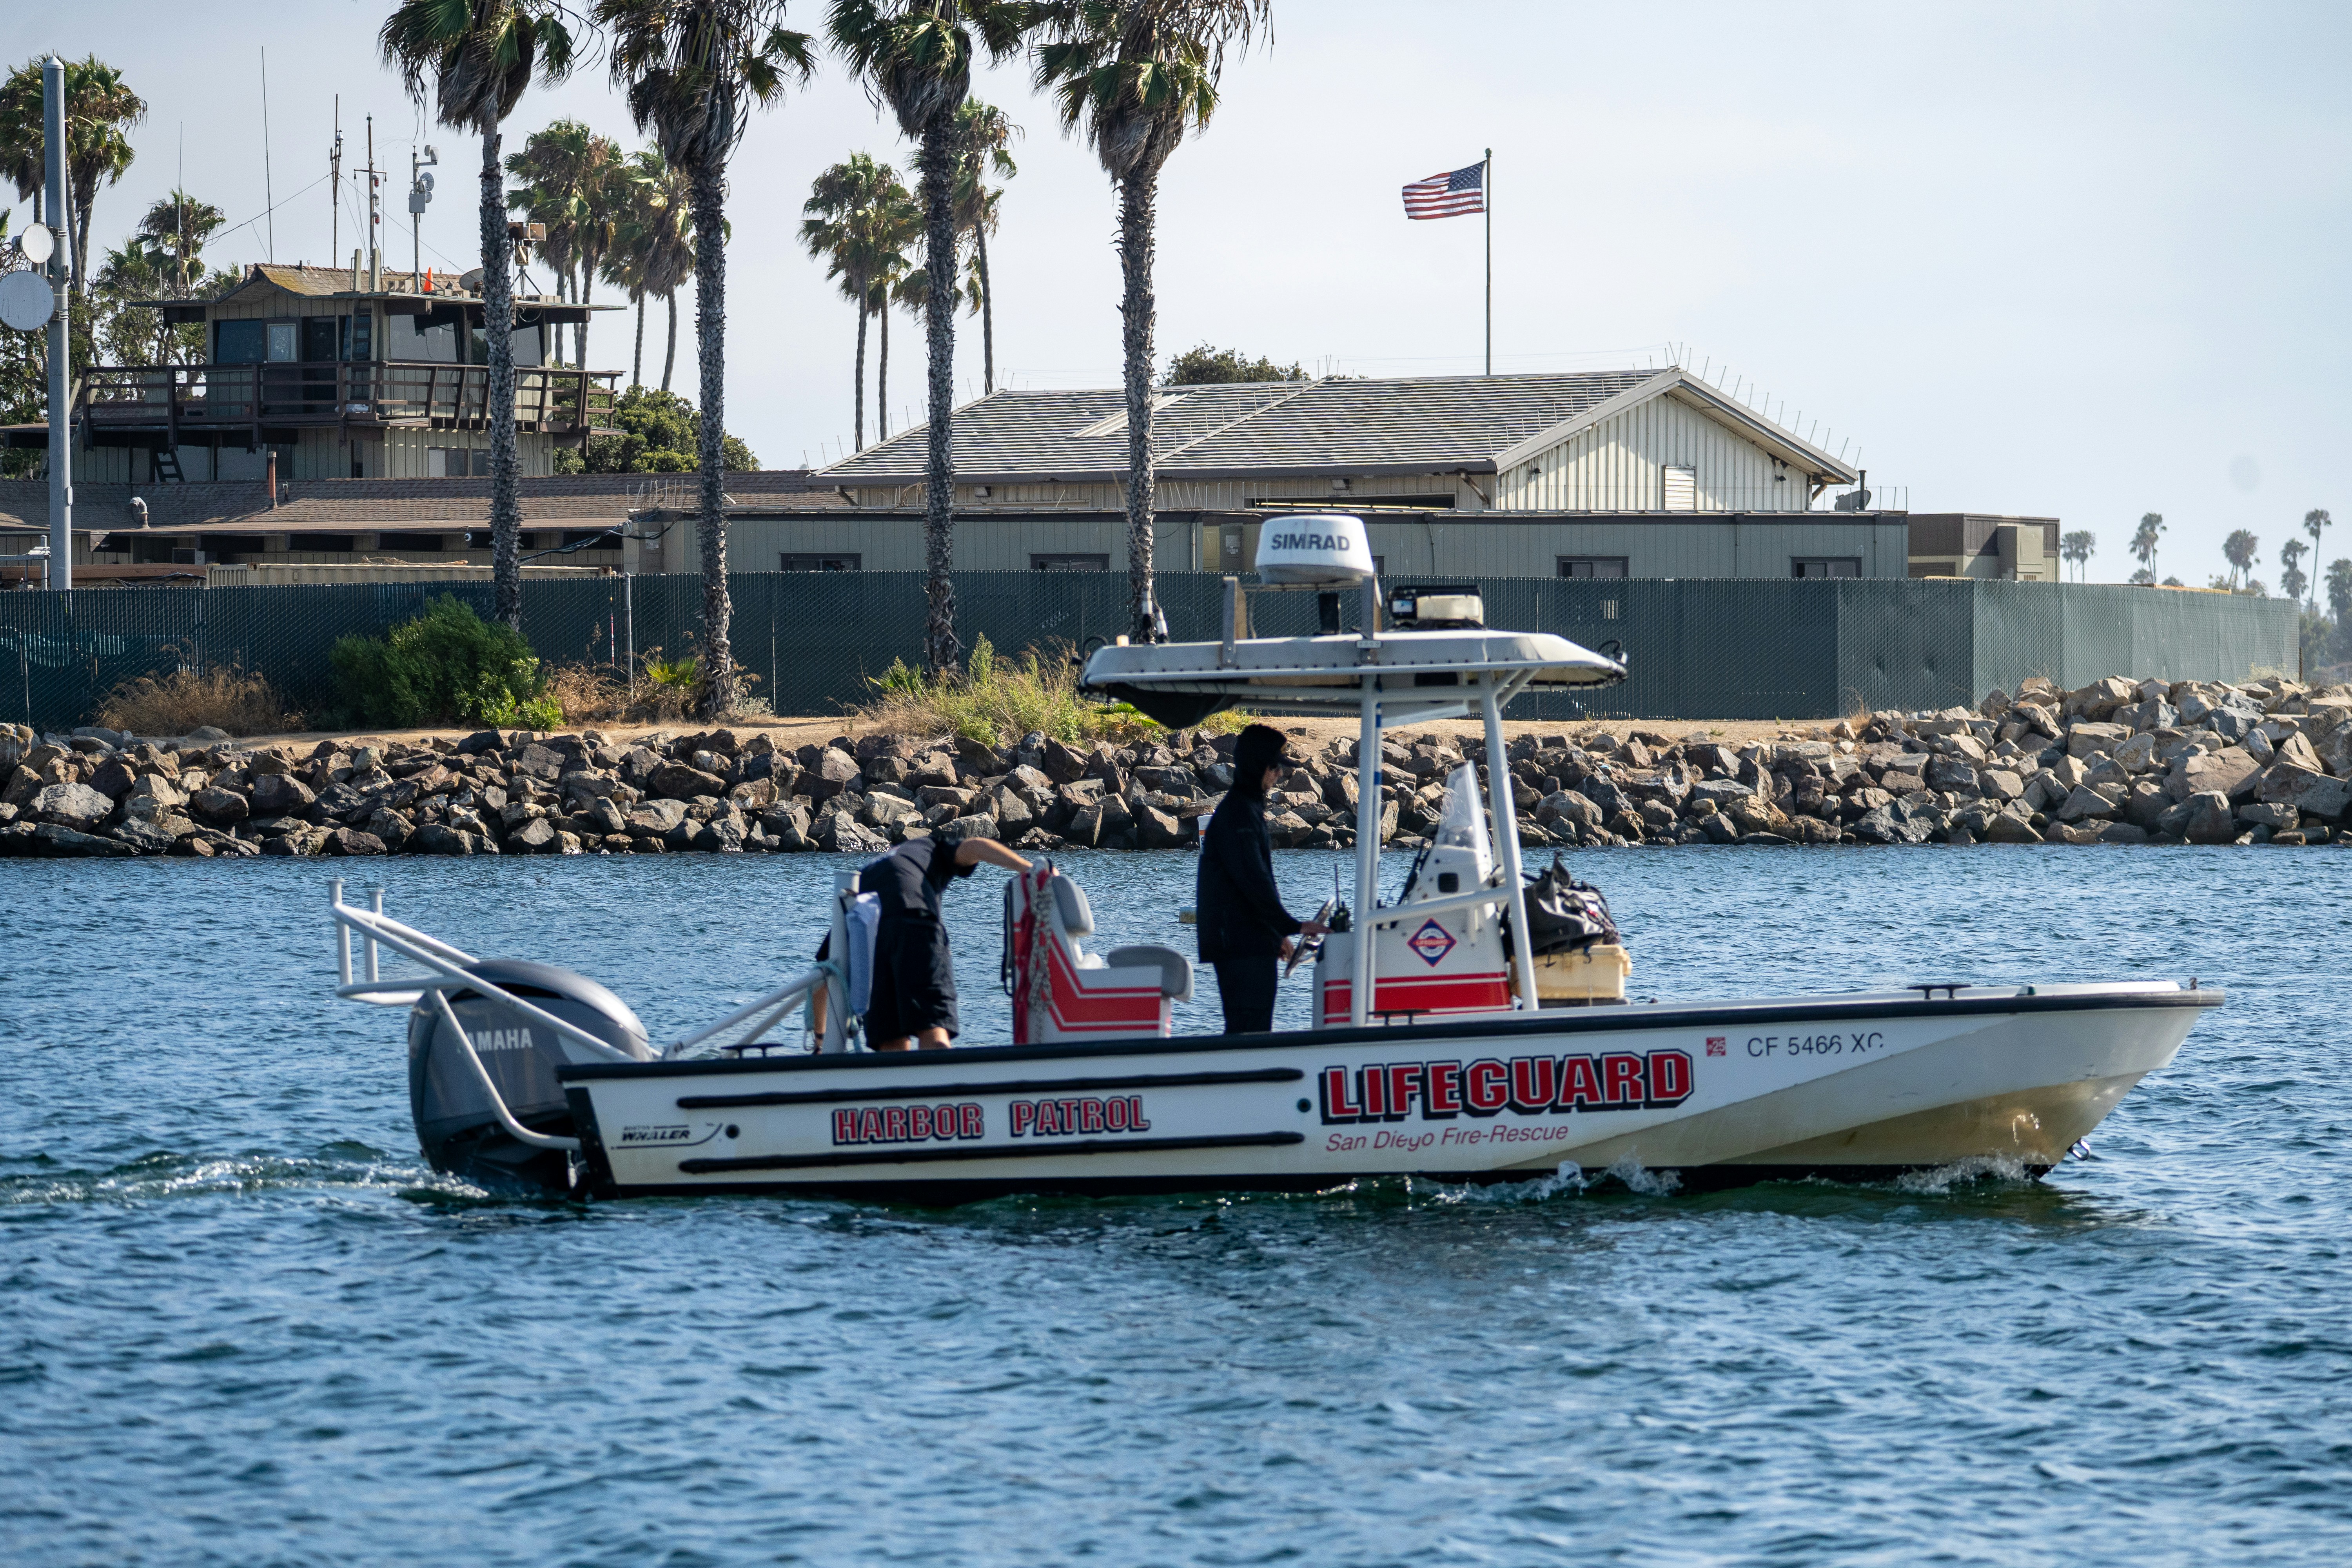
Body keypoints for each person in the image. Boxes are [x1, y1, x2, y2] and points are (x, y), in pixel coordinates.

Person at [828, 832, 1031, 1050]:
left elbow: (828, 969)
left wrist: (820, 1041)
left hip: (870, 939)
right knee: (933, 1031)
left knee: (891, 1044)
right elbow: (977, 846)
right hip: (916, 923)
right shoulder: (931, 846)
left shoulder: (866, 874)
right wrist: (1029, 870)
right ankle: (944, 1081)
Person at [1196, 724, 1329, 1034]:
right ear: (1260, 768)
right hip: (1239, 947)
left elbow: (1252, 885)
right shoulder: (1239, 815)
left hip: (1246, 941)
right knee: (1249, 1032)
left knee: (1250, 1030)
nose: (1280, 775)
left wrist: (1274, 935)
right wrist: (1292, 926)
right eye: (1275, 768)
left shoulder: (1245, 808)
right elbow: (1253, 881)